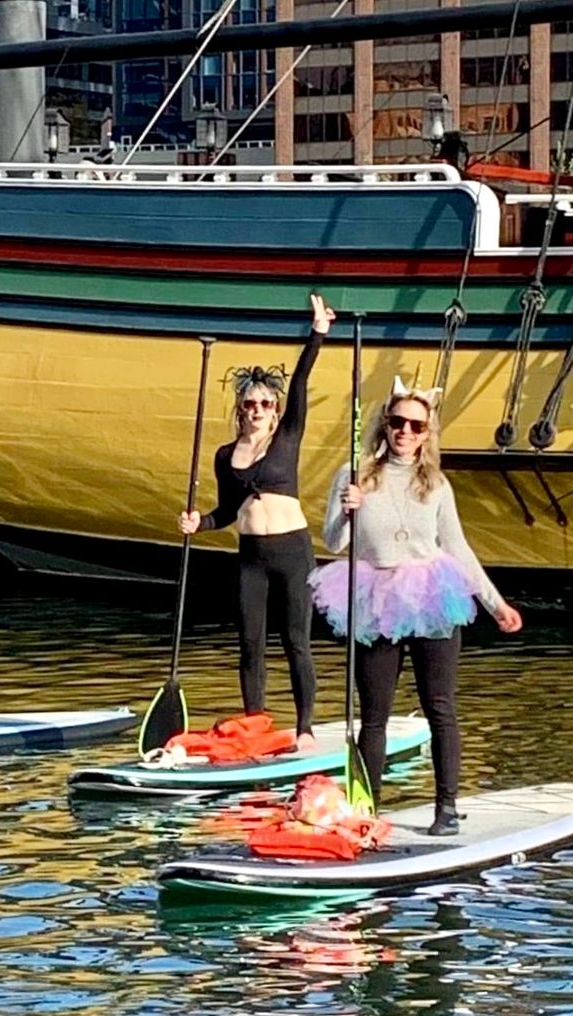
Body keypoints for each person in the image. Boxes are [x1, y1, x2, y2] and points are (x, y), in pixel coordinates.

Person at [311, 378, 523, 836]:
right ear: (384, 425)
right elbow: (333, 542)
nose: (405, 431)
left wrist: (495, 603)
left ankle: (446, 807)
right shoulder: (355, 473)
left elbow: (458, 548)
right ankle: (366, 810)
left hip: (431, 595)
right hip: (376, 597)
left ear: (427, 433)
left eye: (416, 425)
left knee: (440, 706)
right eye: (397, 422)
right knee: (375, 716)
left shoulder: (437, 484)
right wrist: (348, 511)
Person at [179, 293, 334, 749]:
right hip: (250, 557)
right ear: (239, 409)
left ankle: (305, 728)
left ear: (274, 410)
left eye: (265, 404)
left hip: (291, 551)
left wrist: (317, 333)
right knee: (250, 644)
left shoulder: (287, 437)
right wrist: (199, 522)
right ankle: (256, 726)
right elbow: (227, 511)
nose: (257, 411)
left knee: (296, 641)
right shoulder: (226, 456)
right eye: (249, 405)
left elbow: (302, 380)